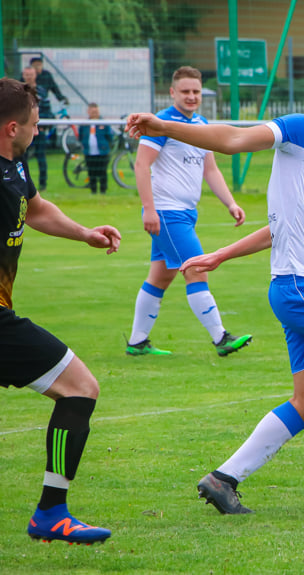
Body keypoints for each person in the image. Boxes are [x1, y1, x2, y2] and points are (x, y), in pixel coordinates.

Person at [128, 79, 304, 512]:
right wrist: (165, 129)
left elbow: (297, 233)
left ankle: (223, 480)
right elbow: (232, 139)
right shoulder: (302, 132)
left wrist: (221, 254)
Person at [1, 78, 120, 543]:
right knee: (80, 388)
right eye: (33, 124)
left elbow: (35, 209)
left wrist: (86, 233)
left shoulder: (14, 164)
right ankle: (51, 513)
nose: (38, 130)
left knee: (79, 388)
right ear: (13, 127)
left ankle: (51, 513)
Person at [125, 66, 251, 357]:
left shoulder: (202, 124)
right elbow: (141, 165)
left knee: (160, 277)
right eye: (185, 91)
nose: (192, 96)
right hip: (167, 214)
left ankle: (137, 342)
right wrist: (149, 209)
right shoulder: (160, 123)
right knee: (197, 269)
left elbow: (211, 169)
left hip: (184, 214)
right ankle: (221, 339)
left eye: (196, 91)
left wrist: (231, 203)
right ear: (172, 93)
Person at [20, 67, 49, 191]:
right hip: (24, 130)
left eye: (31, 74)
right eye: (26, 74)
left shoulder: (41, 91)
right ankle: (23, 182)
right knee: (22, 157)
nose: (29, 77)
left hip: (39, 131)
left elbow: (47, 109)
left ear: (35, 75)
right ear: (23, 75)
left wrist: (42, 126)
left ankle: (43, 184)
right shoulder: (18, 91)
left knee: (40, 156)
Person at [78, 103, 113, 195]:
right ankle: (93, 190)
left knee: (102, 171)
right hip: (89, 152)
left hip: (102, 152)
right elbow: (81, 136)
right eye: (92, 111)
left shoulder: (104, 123)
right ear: (88, 112)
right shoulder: (85, 124)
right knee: (91, 172)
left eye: (96, 111)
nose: (94, 113)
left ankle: (103, 190)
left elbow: (110, 136)